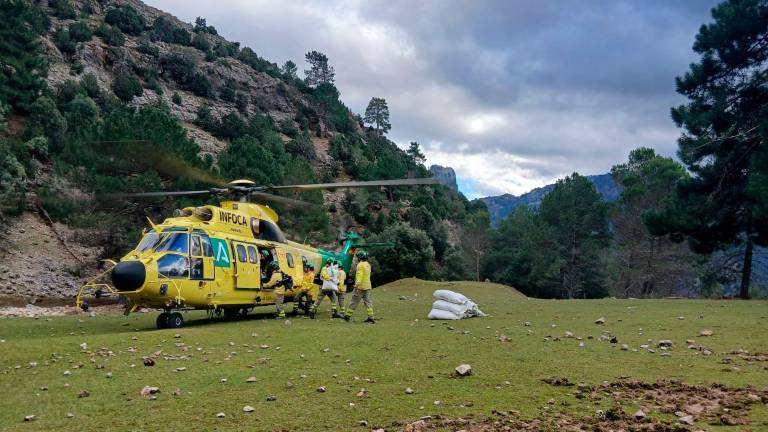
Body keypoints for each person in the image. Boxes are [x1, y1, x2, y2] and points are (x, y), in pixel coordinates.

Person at [344, 251, 374, 323]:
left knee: (354, 301)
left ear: (360, 257)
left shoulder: (360, 265)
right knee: (368, 302)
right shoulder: (368, 264)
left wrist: (356, 285)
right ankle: (371, 317)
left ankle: (347, 316)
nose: (357, 258)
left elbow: (360, 276)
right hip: (368, 286)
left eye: (358, 257)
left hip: (360, 287)